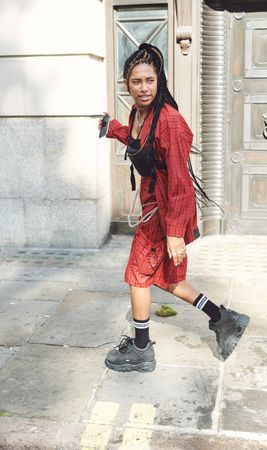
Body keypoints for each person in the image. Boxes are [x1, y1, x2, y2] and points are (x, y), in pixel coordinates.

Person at [98, 43, 249, 373]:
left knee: (138, 276)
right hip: (156, 206)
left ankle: (141, 351)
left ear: (159, 79)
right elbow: (141, 144)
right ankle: (224, 318)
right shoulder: (139, 113)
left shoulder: (169, 121)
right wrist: (114, 130)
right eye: (137, 81)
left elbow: (181, 182)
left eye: (150, 80)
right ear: (127, 82)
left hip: (167, 212)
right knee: (168, 280)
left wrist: (174, 233)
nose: (144, 88)